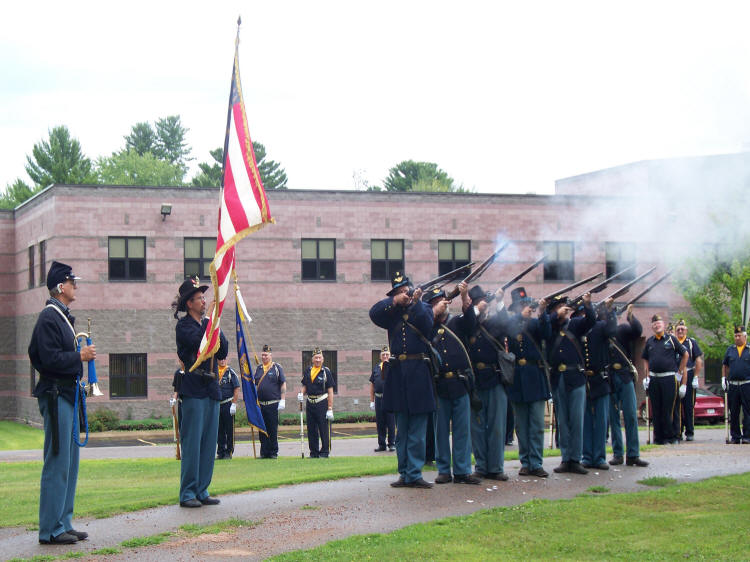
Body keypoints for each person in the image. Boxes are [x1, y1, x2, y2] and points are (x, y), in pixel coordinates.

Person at [28, 261, 95, 545]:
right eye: (72, 282)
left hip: (67, 394)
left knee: (69, 463)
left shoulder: (62, 317)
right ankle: (50, 529)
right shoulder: (49, 317)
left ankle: (63, 521)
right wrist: (79, 357)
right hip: (56, 395)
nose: (75, 286)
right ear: (60, 287)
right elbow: (45, 357)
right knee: (57, 461)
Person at [369, 272, 435, 489]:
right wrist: (396, 301)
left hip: (418, 371)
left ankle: (415, 473)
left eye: (404, 291)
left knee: (417, 430)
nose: (402, 295)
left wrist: (416, 302)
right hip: (398, 373)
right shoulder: (391, 312)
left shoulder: (422, 308)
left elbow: (427, 324)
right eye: (398, 292)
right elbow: (374, 312)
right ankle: (404, 472)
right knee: (402, 430)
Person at [172, 276, 228, 507]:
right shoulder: (184, 326)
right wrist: (210, 323)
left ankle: (202, 489)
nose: (204, 301)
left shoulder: (208, 324)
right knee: (193, 442)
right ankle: (188, 492)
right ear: (189, 304)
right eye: (199, 298)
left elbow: (222, 348)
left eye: (204, 297)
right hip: (194, 388)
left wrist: (215, 322)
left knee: (208, 443)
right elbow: (201, 346)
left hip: (211, 388)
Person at [425, 284, 482, 485]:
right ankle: (443, 469)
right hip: (440, 385)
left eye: (441, 301)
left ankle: (462, 470)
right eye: (434, 303)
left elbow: (471, 319)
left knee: (462, 431)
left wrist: (464, 294)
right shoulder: (427, 327)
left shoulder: (457, 322)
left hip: (460, 383)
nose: (439, 305)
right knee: (441, 431)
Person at [546, 293, 596, 475]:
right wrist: (555, 315)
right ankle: (566, 458)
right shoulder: (549, 326)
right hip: (558, 377)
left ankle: (576, 458)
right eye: (558, 307)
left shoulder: (574, 324)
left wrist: (588, 304)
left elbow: (590, 321)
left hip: (575, 377)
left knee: (576, 420)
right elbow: (543, 323)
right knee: (563, 421)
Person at [505, 287, 551, 478]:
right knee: (521, 425)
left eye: (527, 304)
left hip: (535, 375)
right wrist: (520, 316)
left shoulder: (534, 323)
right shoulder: (511, 322)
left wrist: (542, 311)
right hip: (517, 378)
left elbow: (546, 333)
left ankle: (536, 461)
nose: (527, 308)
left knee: (538, 424)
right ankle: (525, 461)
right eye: (523, 305)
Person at [466, 285, 509, 481]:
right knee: (477, 426)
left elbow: (506, 323)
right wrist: (476, 309)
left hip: (494, 377)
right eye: (478, 302)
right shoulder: (469, 323)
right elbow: (465, 322)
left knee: (496, 425)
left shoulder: (494, 324)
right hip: (476, 381)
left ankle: (496, 467)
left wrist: (499, 301)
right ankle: (481, 466)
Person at [608, 305, 648, 467]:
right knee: (614, 418)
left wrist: (631, 317)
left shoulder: (623, 330)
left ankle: (633, 454)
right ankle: (618, 454)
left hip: (624, 376)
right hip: (610, 377)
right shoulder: (602, 331)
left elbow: (637, 331)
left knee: (631, 416)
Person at [580, 299, 616, 471]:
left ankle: (600, 457)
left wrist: (610, 311)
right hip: (584, 380)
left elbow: (612, 330)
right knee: (586, 420)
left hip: (600, 379)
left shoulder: (601, 326)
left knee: (601, 421)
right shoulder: (578, 327)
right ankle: (587, 456)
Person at [641, 314, 688, 445]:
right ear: (652, 327)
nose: (657, 325)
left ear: (663, 324)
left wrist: (680, 371)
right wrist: (647, 375)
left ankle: (670, 436)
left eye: (659, 323)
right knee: (656, 409)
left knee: (668, 409)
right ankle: (658, 438)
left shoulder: (672, 339)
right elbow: (645, 358)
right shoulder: (649, 341)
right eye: (655, 324)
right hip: (655, 379)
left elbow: (685, 354)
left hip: (669, 378)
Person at [299, 348, 334, 458]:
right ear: (312, 359)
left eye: (319, 358)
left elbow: (330, 390)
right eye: (316, 358)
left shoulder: (326, 371)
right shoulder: (308, 370)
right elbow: (305, 385)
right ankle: (313, 452)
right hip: (310, 402)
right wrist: (301, 393)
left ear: (323, 359)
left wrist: (330, 408)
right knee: (311, 429)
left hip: (321, 402)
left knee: (323, 428)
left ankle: (324, 452)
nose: (318, 360)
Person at [254, 344, 287, 458]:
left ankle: (273, 452)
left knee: (272, 429)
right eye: (262, 355)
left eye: (266, 355)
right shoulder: (258, 368)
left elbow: (283, 383)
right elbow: (255, 385)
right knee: (262, 430)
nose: (264, 357)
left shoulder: (277, 368)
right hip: (261, 405)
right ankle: (264, 452)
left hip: (273, 404)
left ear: (270, 355)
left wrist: (282, 400)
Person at [674, 319, 704, 441]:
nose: (680, 331)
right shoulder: (673, 342)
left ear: (686, 330)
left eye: (682, 329)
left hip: (689, 374)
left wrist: (696, 377)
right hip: (676, 375)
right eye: (678, 329)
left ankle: (689, 431)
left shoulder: (691, 342)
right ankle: (678, 431)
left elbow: (698, 360)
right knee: (676, 405)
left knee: (688, 405)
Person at [722, 325, 750, 444]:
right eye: (735, 336)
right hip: (733, 385)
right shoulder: (730, 350)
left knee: (747, 411)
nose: (737, 338)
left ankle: (747, 436)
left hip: (746, 384)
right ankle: (735, 436)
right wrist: (724, 378)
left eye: (739, 335)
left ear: (745, 336)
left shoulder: (749, 349)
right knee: (733, 411)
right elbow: (725, 365)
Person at [370, 345, 396, 452]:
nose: (385, 356)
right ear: (380, 356)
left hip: (389, 398)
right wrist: (372, 401)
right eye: (383, 355)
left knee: (390, 422)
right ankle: (382, 444)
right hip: (379, 398)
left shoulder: (393, 367)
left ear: (390, 356)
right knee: (380, 422)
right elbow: (372, 385)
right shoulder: (376, 368)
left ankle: (391, 444)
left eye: (387, 354)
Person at [216, 358, 240, 459]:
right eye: (220, 359)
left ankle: (229, 451)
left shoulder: (231, 372)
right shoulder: (214, 372)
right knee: (219, 429)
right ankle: (221, 451)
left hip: (228, 404)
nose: (222, 361)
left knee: (229, 429)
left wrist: (234, 403)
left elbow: (236, 388)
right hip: (217, 405)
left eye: (224, 359)